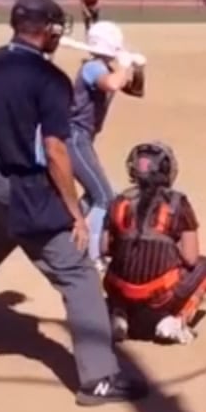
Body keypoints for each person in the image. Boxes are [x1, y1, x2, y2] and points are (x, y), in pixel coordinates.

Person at [0, 0, 146, 406]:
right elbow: (56, 151)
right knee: (78, 274)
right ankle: (98, 379)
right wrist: (74, 214)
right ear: (47, 31)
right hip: (26, 191)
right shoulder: (49, 79)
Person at [103, 141, 206, 345]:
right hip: (160, 296)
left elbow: (104, 248)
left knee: (112, 269)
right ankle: (176, 321)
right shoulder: (177, 203)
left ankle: (119, 313)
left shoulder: (119, 201)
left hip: (121, 290)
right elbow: (191, 258)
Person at [69, 20, 141, 270]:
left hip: (83, 138)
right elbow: (111, 84)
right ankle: (93, 255)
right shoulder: (92, 68)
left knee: (94, 194)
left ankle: (64, 230)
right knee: (104, 197)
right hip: (74, 137)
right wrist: (125, 65)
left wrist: (137, 69)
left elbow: (136, 90)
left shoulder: (106, 68)